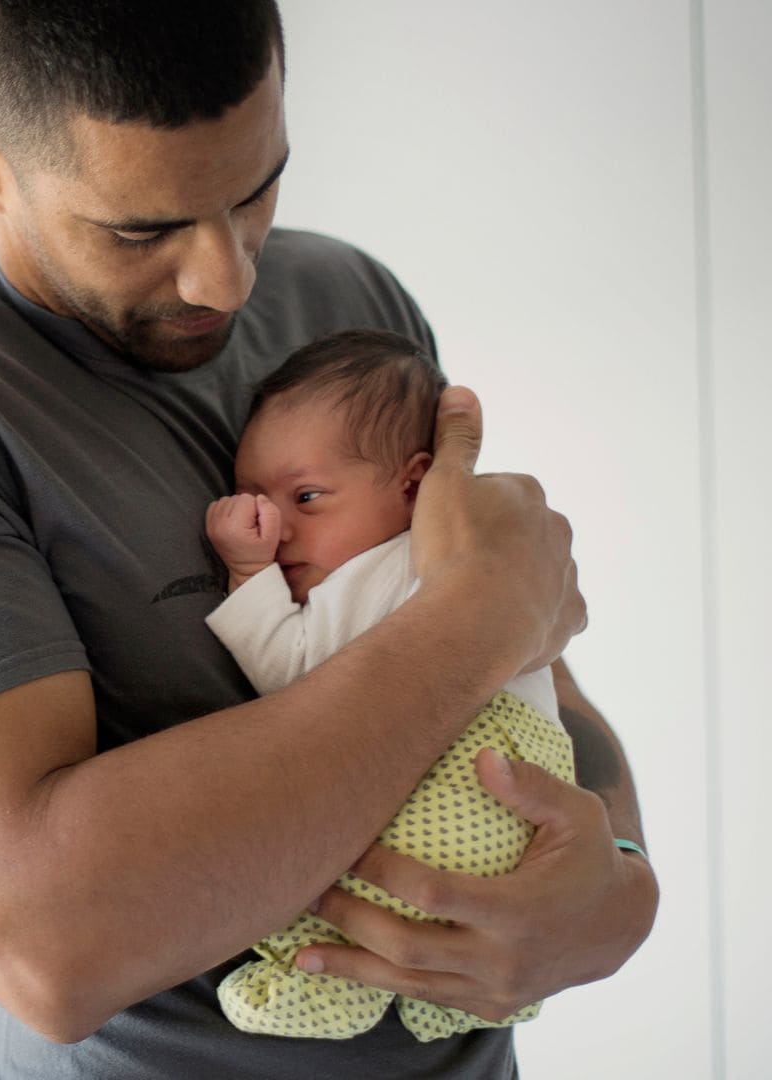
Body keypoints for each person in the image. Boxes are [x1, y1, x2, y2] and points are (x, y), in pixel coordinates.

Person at [0, 2, 657, 1075]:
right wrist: (472, 623)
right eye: (141, 229)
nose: (228, 276)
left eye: (257, 189)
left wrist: (622, 879)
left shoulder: (346, 302)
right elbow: (50, 951)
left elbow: (527, 666)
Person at [202, 329, 576, 1042]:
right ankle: (446, 1002)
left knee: (329, 903)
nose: (276, 527)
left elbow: (288, 670)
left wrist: (248, 575)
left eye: (306, 497)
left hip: (460, 787)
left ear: (414, 484)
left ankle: (314, 986)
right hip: (525, 796)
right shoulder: (481, 552)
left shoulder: (373, 575)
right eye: (256, 500)